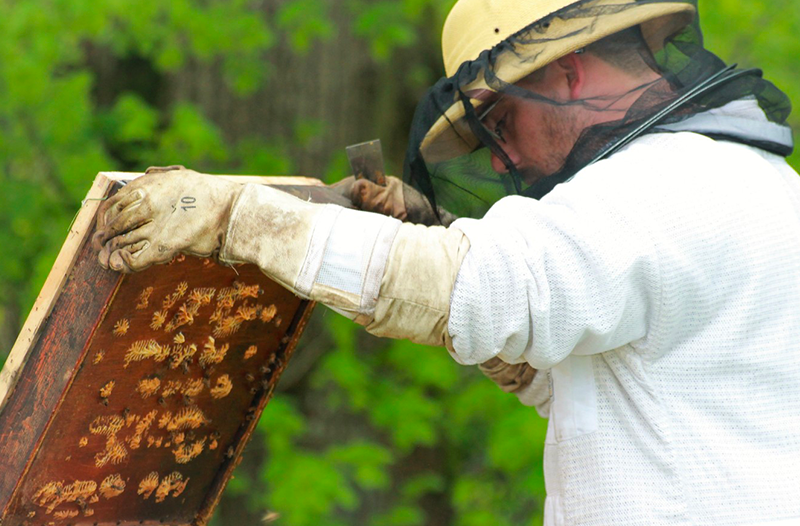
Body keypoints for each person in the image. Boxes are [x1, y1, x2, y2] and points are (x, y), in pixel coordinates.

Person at [93, 0, 800, 523]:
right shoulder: (753, 185)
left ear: (570, 75)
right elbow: (616, 387)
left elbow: (488, 291)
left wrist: (236, 218)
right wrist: (434, 232)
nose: (499, 155)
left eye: (498, 119)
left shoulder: (654, 187)